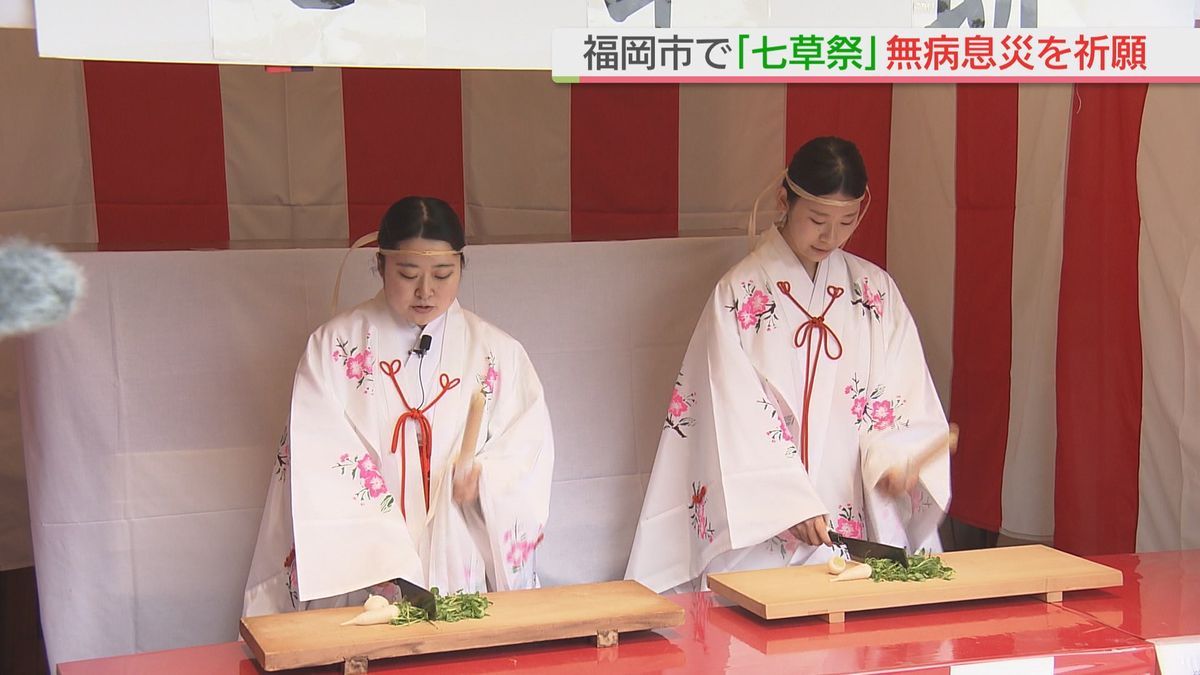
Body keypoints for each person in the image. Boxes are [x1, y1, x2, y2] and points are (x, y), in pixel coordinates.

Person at [625, 137, 951, 592]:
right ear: (785, 201)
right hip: (760, 531)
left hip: (848, 520)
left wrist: (898, 458)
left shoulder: (874, 294)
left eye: (846, 221)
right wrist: (785, 501)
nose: (831, 237)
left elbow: (901, 395)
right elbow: (729, 409)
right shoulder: (740, 294)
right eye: (817, 220)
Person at [244, 196, 554, 615]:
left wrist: (483, 481)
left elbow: (526, 448)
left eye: (442, 275)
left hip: (459, 556)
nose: (426, 291)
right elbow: (318, 451)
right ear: (380, 265)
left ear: (461, 267)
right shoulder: (333, 347)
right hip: (365, 573)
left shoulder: (498, 353)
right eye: (408, 274)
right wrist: (389, 552)